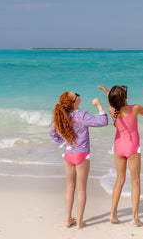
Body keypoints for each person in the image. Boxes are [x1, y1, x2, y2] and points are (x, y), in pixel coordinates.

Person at [98, 81, 143, 226]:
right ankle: (135, 218)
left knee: (119, 180)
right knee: (135, 181)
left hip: (118, 147)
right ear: (125, 97)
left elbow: (111, 103)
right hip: (132, 148)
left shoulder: (113, 111)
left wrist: (107, 92)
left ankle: (113, 214)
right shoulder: (135, 109)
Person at [49, 91, 108, 229]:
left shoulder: (63, 117)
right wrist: (99, 106)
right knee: (81, 189)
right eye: (77, 94)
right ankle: (80, 222)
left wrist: (63, 143)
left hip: (68, 154)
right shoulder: (82, 115)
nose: (79, 95)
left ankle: (68, 219)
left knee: (70, 188)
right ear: (75, 102)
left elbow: (52, 133)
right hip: (81, 155)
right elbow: (103, 122)